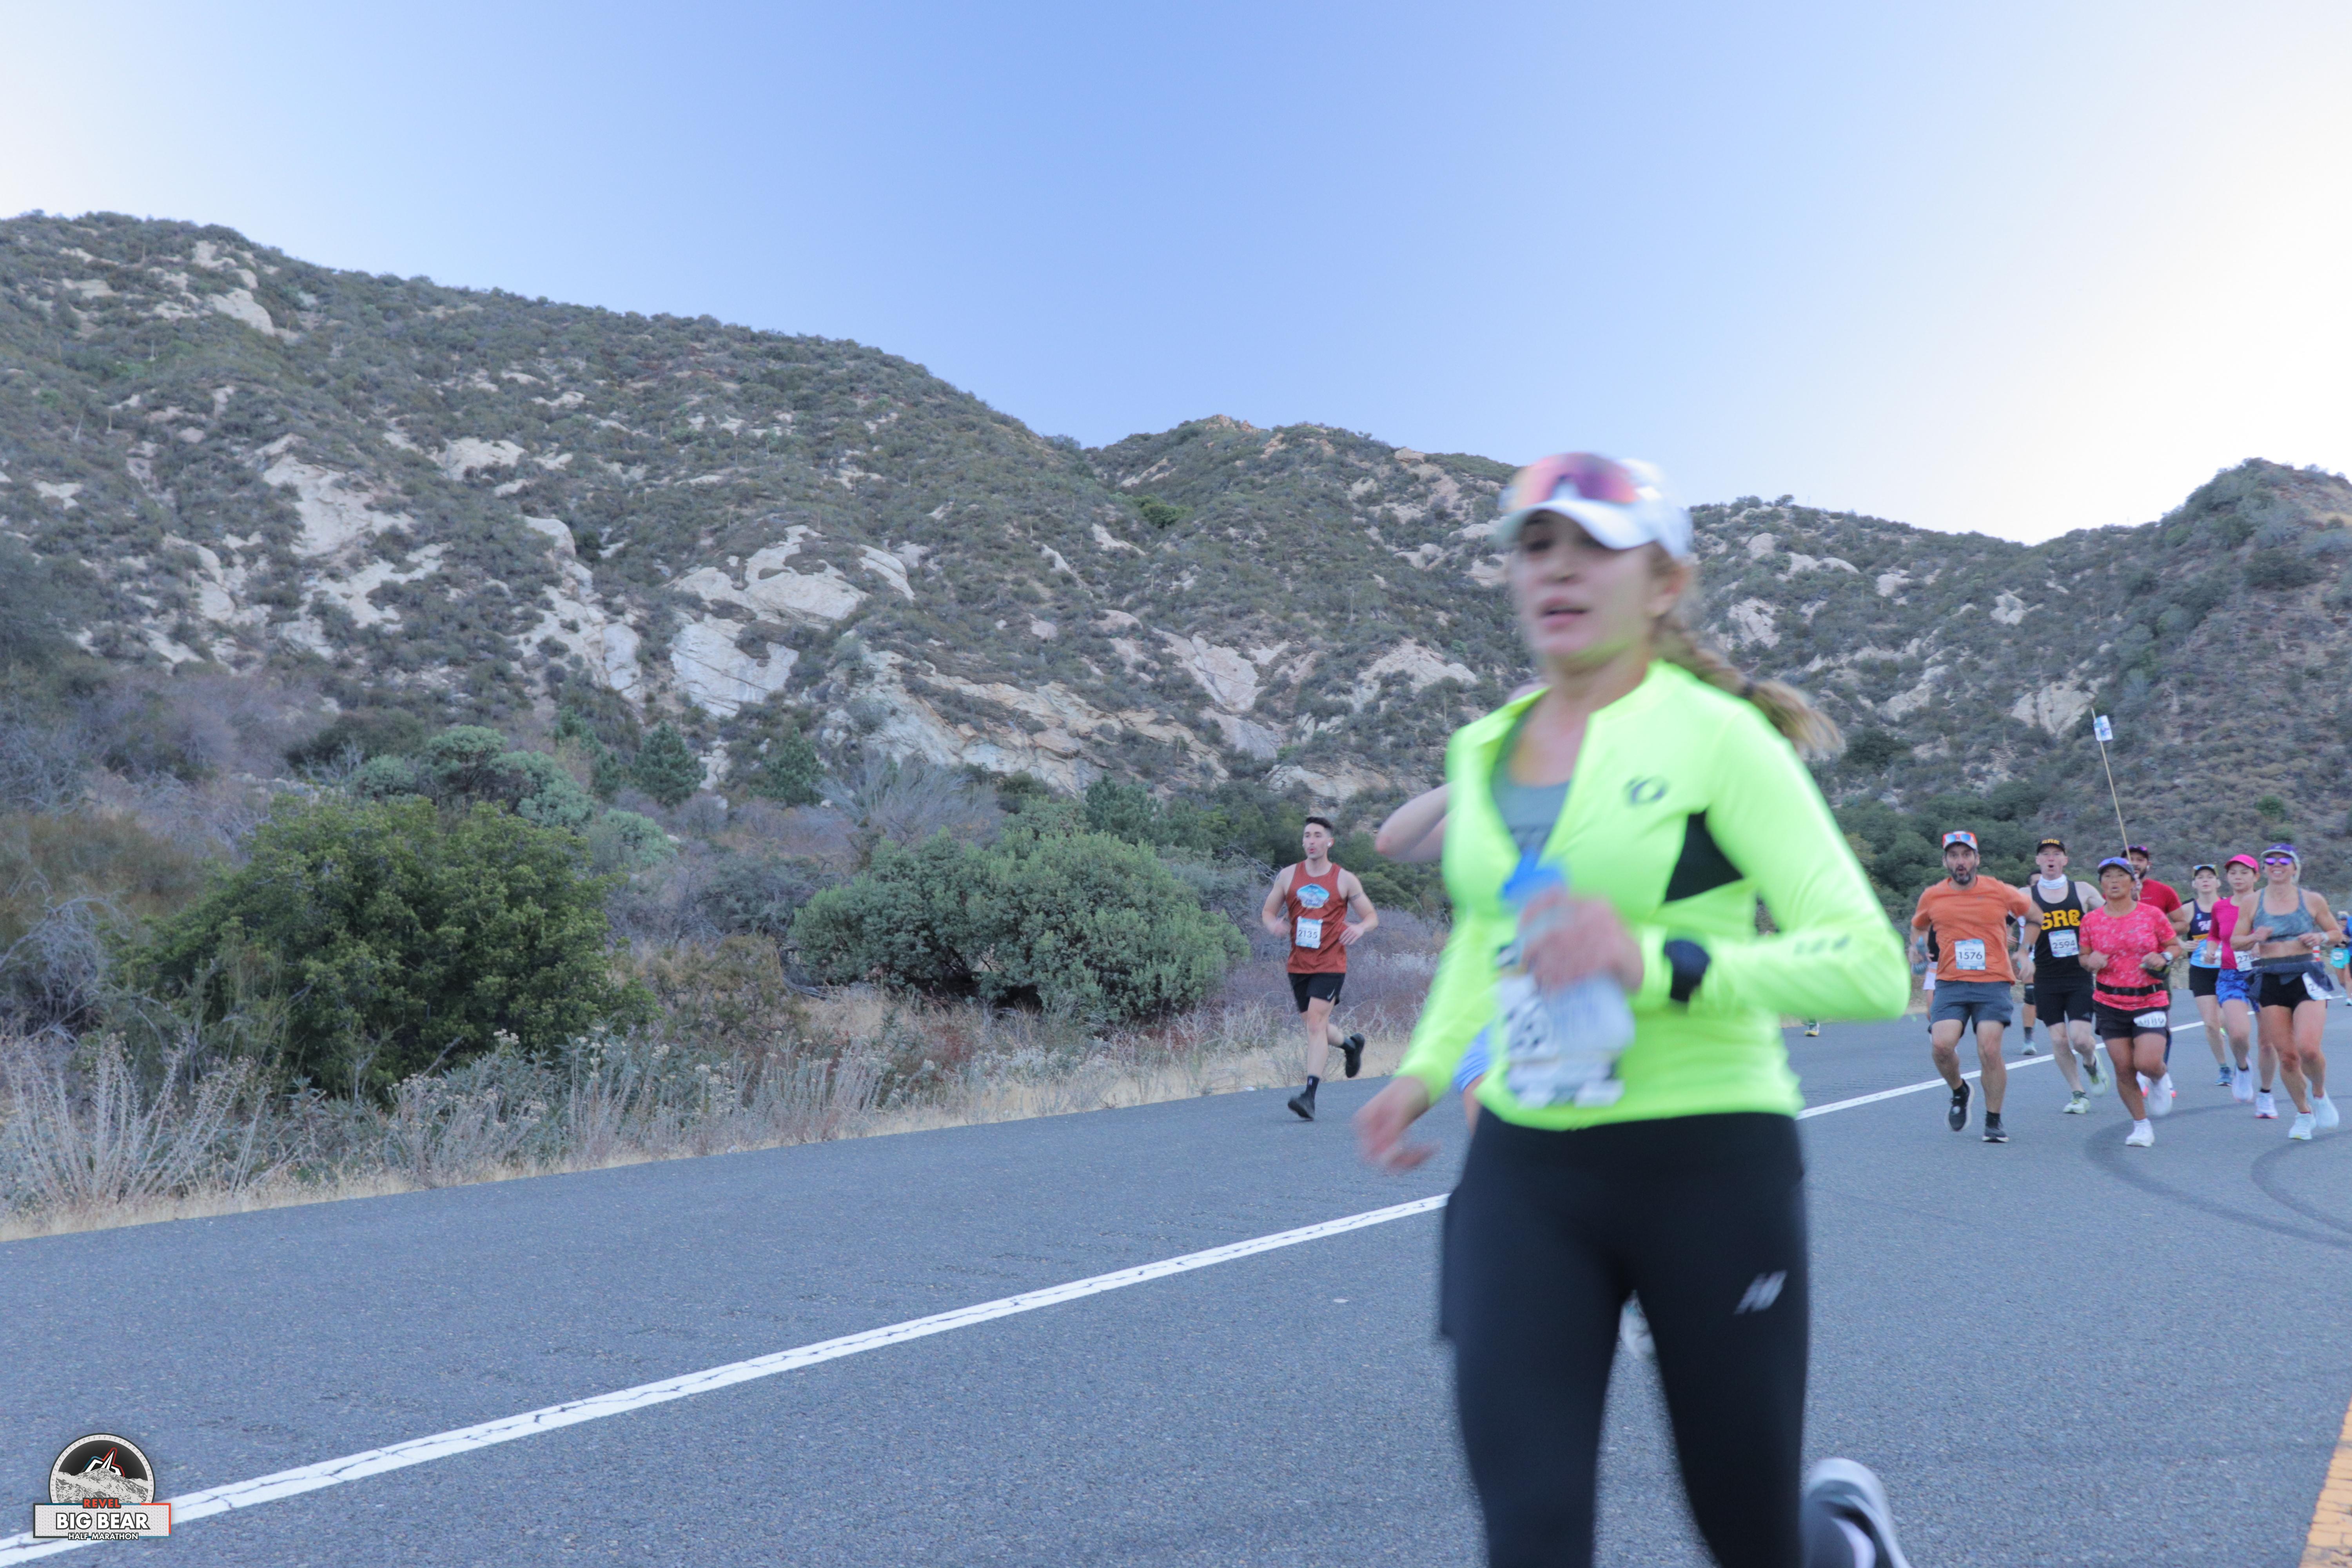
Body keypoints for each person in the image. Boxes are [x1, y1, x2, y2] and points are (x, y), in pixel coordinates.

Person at [1352, 452, 1915, 1568]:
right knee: (1530, 1535)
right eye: (1536, 545)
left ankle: (1844, 1541)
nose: (1557, 568)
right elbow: (1487, 933)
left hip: (1709, 1160)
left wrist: (1653, 961)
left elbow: (1870, 968)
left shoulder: (1719, 737)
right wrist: (1422, 1072)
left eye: (1594, 546)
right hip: (1527, 1167)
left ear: (1663, 583)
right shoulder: (1482, 749)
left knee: (1749, 1536)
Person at [1910, 831, 2033, 1143]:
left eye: (1966, 855)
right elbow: (1919, 926)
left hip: (1993, 981)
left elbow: (2035, 916)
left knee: (1989, 1050)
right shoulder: (1933, 896)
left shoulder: (1999, 891)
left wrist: (2024, 951)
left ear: (1977, 859)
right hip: (1950, 982)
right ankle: (1960, 1091)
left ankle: (1993, 1120)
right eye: (1954, 856)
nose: (1961, 861)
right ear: (1946, 862)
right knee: (1941, 1046)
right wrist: (1917, 948)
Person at [1261, 815, 1375, 1121]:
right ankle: (1351, 1046)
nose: (1311, 841)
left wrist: (1360, 928)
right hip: (1298, 964)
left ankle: (1309, 1097)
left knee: (1315, 1025)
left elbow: (1371, 917)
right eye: (1307, 836)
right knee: (1318, 1027)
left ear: (1329, 842)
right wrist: (1273, 924)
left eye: (1317, 836)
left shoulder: (1345, 880)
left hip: (1331, 963)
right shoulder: (1288, 876)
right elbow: (1269, 911)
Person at [2230, 844, 2341, 1141]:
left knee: (2308, 1049)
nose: (2277, 864)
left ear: (2295, 868)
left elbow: (2336, 934)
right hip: (2269, 977)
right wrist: (2255, 937)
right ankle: (2304, 1114)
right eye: (2270, 860)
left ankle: (2320, 1094)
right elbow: (2236, 941)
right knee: (2288, 1057)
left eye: (2284, 860)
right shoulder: (2252, 902)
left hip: (2306, 975)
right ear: (2264, 868)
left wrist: (2320, 936)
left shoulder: (2312, 900)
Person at [2080, 857, 2187, 1147]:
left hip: (2149, 998)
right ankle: (2141, 1126)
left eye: (2120, 875)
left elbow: (2174, 947)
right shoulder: (2091, 920)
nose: (2114, 881)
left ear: (2133, 882)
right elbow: (2083, 957)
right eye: (2107, 876)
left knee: (2147, 1063)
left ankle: (2159, 1077)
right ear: (2101, 884)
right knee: (2124, 1067)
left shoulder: (2152, 915)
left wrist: (2163, 957)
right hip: (2109, 1001)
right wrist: (2090, 961)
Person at [2016, 837, 2109, 1113]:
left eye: (2056, 854)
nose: (2051, 858)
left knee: (2081, 1040)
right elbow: (1999, 919)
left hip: (2079, 975)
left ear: (2065, 860)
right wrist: (2019, 952)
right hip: (2045, 977)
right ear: (2038, 861)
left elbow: (2111, 915)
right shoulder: (2025, 894)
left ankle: (2091, 1062)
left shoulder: (2082, 890)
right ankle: (2078, 1093)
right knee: (2058, 1040)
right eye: (2045, 854)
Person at [2214, 856, 2270, 1110]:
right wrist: (2211, 949)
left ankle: (2266, 1094)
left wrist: (2262, 945)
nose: (2238, 877)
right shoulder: (2220, 907)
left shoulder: (2268, 904)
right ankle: (2243, 1067)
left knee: (2268, 1042)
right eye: (2233, 873)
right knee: (2238, 1032)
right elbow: (2216, 935)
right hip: (2231, 975)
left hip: (2265, 973)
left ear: (2256, 876)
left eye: (2244, 872)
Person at [2182, 864, 2239, 1088]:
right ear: (2194, 884)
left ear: (2218, 883)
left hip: (2228, 969)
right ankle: (2224, 1068)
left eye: (2209, 877)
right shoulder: (2188, 909)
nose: (2205, 881)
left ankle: (2242, 1062)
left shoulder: (2228, 906)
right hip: (2201, 971)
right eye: (2200, 877)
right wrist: (2181, 944)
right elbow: (2164, 931)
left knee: (2231, 1022)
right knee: (2211, 1024)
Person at [2126, 844, 2188, 930]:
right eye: (2130, 860)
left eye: (2140, 860)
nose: (2135, 864)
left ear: (2149, 865)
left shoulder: (2164, 891)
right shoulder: (2113, 892)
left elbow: (2184, 925)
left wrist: (2160, 931)